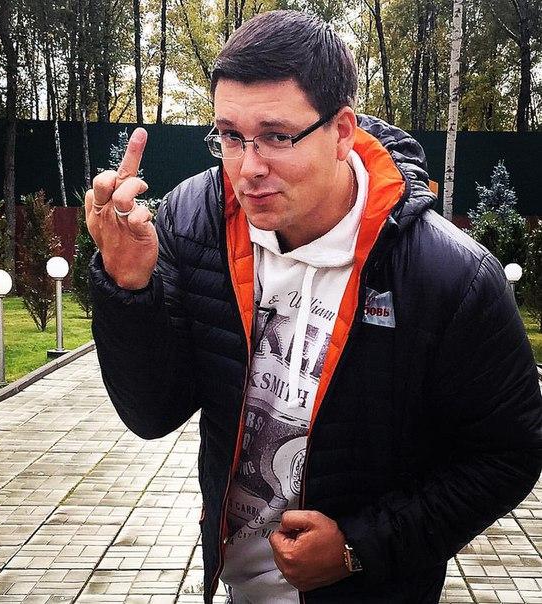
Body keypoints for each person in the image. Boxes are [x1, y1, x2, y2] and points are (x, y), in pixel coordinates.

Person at [86, 10, 542, 604]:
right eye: (230, 136)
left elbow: (508, 455)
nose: (249, 168)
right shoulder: (194, 223)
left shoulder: (448, 276)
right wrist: (128, 287)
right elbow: (153, 413)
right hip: (236, 588)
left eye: (278, 136)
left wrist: (360, 546)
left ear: (342, 130)